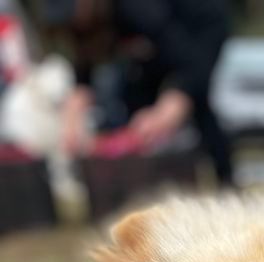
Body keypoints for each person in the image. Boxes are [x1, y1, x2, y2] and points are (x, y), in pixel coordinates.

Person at [45, 0, 233, 184]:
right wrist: (73, 113)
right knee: (134, 102)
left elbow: (189, 62)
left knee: (193, 104)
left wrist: (173, 102)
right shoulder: (88, 21)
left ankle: (225, 178)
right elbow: (84, 66)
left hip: (198, 28)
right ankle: (137, 182)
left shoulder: (138, 9)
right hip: (161, 43)